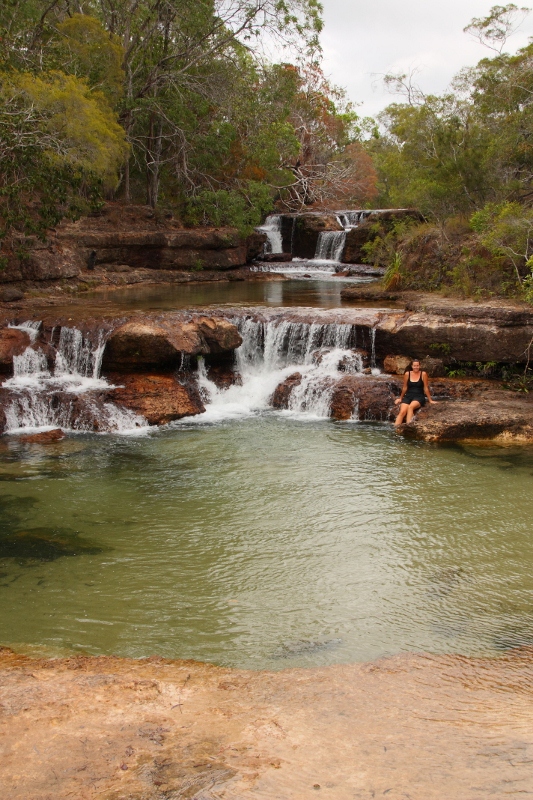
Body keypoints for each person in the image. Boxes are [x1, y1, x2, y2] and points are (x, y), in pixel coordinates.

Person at [394, 359, 436, 425]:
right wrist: (400, 398)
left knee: (410, 407)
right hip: (408, 396)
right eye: (414, 366)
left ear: (419, 366)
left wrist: (430, 400)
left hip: (419, 396)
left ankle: (408, 427)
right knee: (402, 412)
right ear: (412, 366)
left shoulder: (423, 374)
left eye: (417, 365)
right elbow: (405, 387)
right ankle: (395, 431)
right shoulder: (407, 374)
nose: (416, 367)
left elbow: (425, 387)